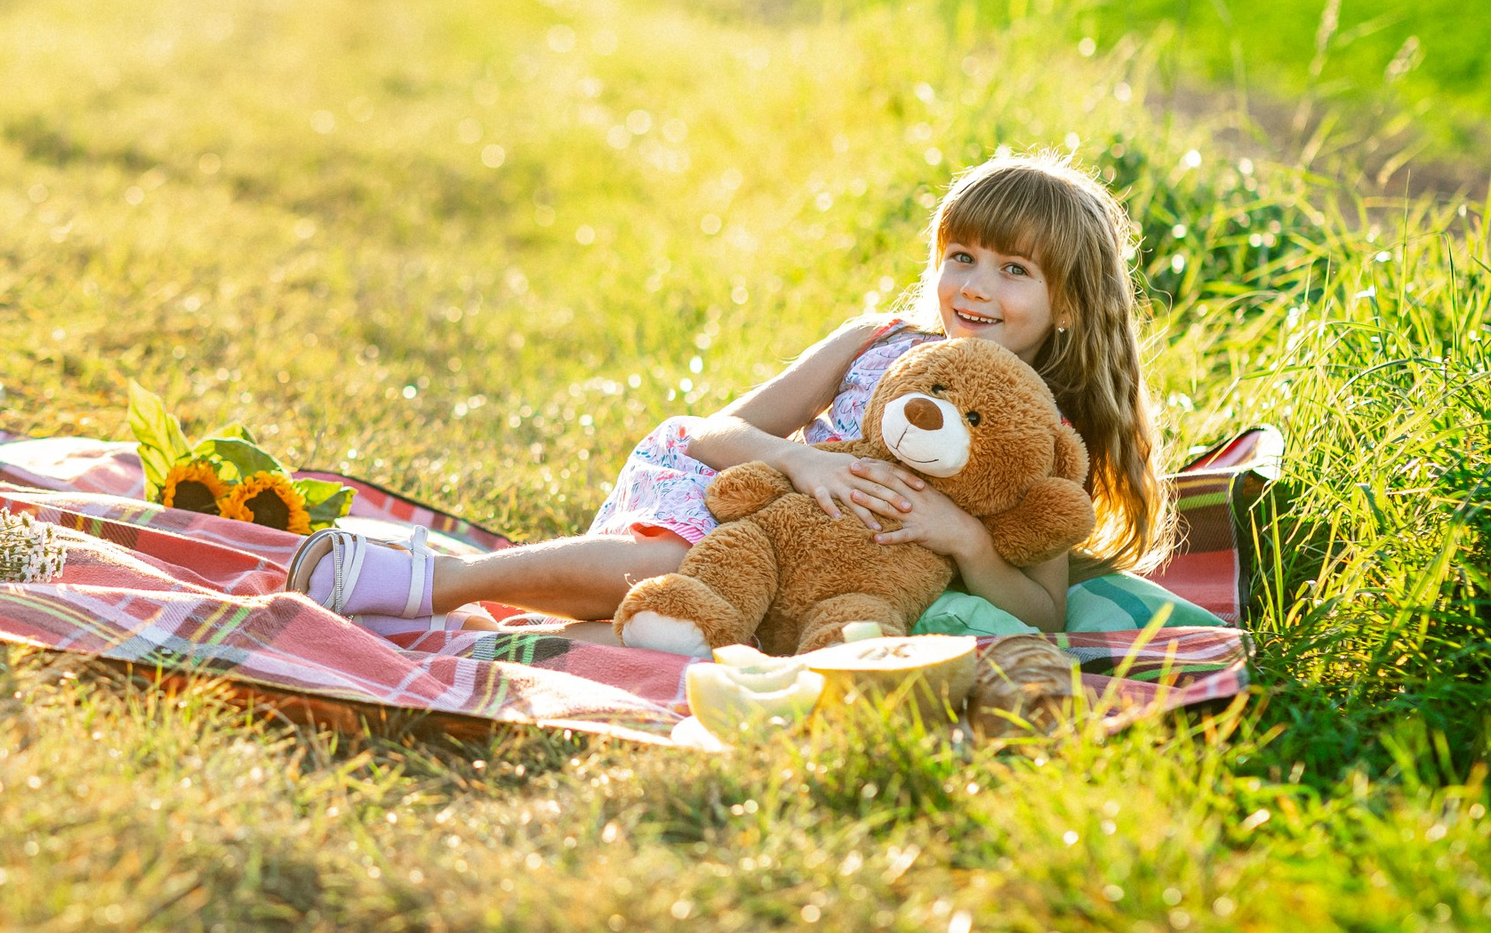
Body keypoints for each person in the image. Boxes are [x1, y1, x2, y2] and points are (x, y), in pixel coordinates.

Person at [286, 152, 1175, 641]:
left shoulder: (1044, 439)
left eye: (1013, 270)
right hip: (731, 501)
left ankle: (486, 641)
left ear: (1067, 304)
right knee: (678, 573)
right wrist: (795, 457)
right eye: (961, 256)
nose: (974, 287)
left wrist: (968, 541)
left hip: (822, 584)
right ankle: (428, 584)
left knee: (704, 634)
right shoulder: (878, 343)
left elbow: (1044, 614)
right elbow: (718, 432)